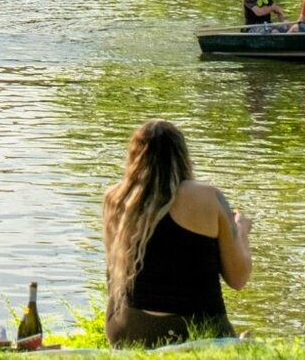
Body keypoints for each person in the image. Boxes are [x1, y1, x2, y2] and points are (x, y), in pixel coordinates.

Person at [103, 120, 251, 347]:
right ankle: (235, 343)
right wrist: (240, 231)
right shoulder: (207, 196)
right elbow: (238, 279)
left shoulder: (115, 198)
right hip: (196, 329)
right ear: (182, 156)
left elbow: (112, 277)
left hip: (128, 331)